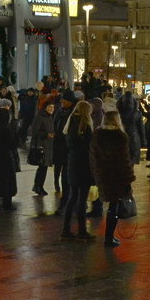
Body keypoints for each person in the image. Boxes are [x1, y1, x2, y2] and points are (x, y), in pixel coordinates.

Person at [90, 109, 135, 247]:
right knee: (114, 206)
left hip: (103, 175)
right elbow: (124, 160)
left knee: (107, 204)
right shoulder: (120, 136)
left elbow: (93, 157)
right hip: (117, 176)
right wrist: (128, 179)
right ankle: (109, 237)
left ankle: (109, 237)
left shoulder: (97, 135)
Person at [60, 100, 95, 240]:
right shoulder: (85, 125)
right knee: (82, 199)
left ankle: (66, 228)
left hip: (73, 163)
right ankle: (81, 230)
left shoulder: (70, 124)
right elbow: (89, 146)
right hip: (84, 165)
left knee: (72, 197)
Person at [30, 100, 57, 195]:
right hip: (41, 146)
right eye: (49, 107)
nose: (51, 109)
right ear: (45, 107)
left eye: (53, 107)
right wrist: (46, 135)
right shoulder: (40, 117)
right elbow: (34, 131)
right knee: (42, 167)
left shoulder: (49, 117)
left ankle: (39, 186)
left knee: (44, 167)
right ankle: (38, 186)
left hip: (48, 145)